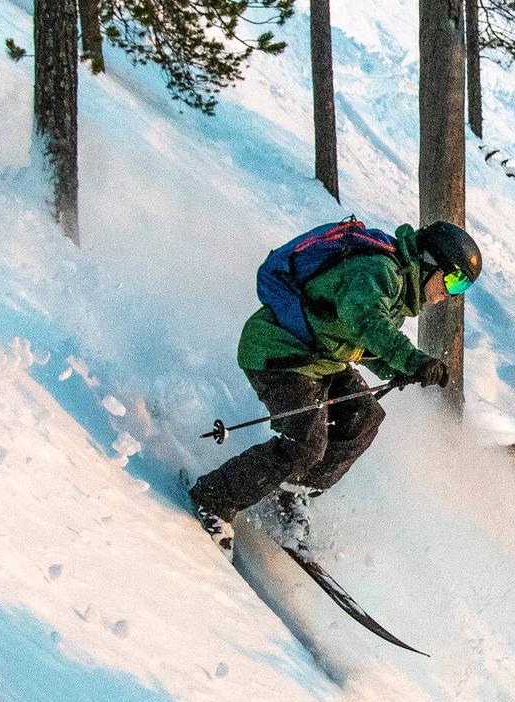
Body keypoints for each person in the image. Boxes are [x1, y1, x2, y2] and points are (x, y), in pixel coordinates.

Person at [189, 218, 482, 552]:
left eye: (462, 289)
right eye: (455, 281)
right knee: (306, 443)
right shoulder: (378, 271)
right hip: (281, 352)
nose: (451, 294)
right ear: (431, 261)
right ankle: (214, 496)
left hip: (321, 360)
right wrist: (413, 359)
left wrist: (400, 369)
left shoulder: (398, 291)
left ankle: (289, 492)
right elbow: (365, 322)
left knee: (364, 417)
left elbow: (366, 346)